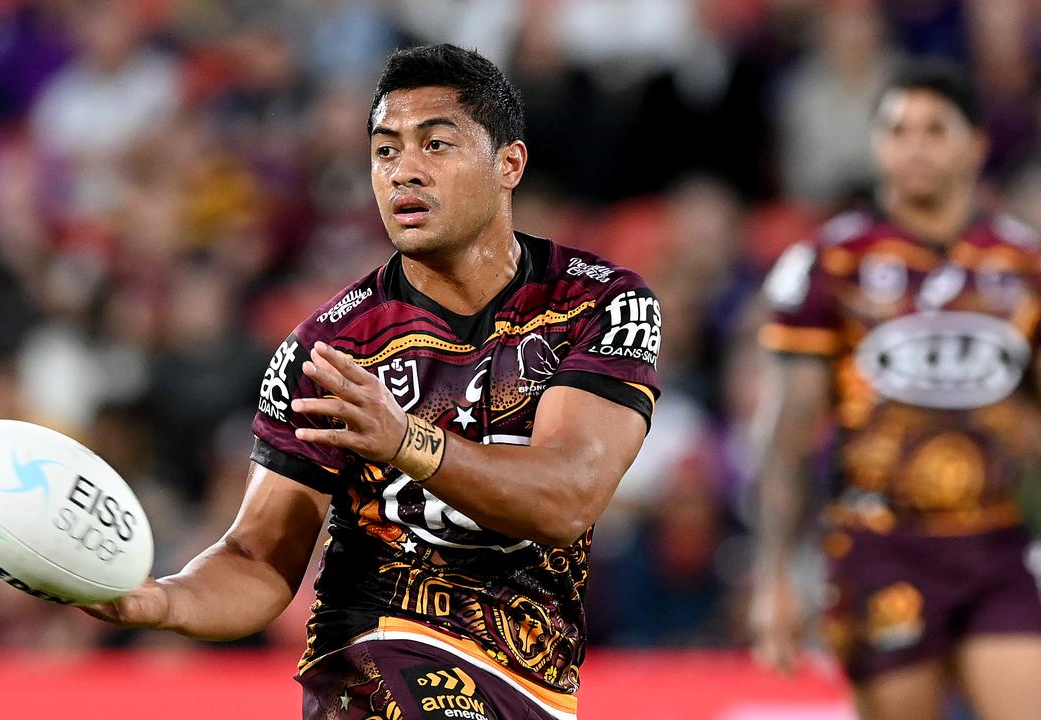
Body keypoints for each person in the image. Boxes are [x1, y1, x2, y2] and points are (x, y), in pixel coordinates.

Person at [83, 43, 661, 719]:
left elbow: (567, 497)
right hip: (377, 664)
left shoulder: (598, 304)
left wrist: (405, 441)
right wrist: (165, 600)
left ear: (509, 164)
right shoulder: (327, 351)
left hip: (534, 684)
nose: (403, 172)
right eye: (385, 151)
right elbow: (260, 559)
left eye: (435, 145)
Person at [751, 60, 1041, 720]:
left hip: (995, 539)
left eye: (934, 129)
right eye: (897, 130)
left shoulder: (1024, 265)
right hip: (880, 543)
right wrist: (773, 578)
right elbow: (785, 437)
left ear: (977, 144)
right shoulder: (830, 264)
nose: (913, 146)